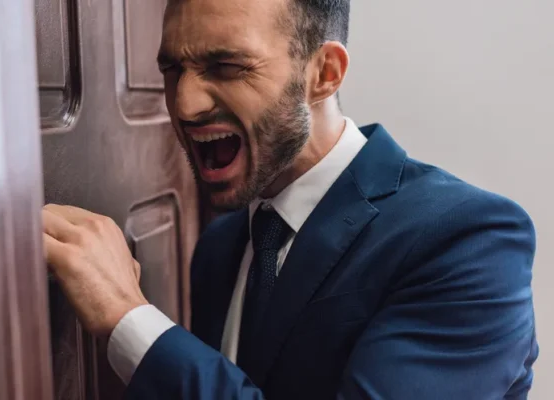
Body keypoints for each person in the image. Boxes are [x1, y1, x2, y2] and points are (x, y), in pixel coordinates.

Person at [41, 0, 539, 398]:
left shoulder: (470, 239)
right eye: (173, 69)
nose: (185, 104)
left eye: (227, 66)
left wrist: (129, 321)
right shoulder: (219, 245)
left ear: (324, 73)